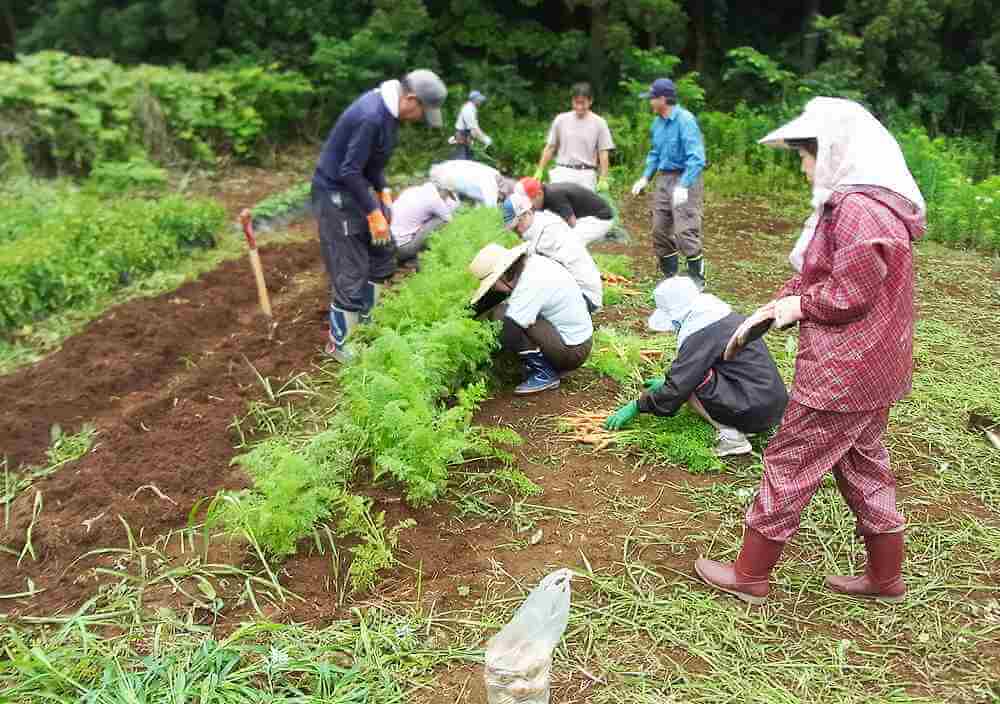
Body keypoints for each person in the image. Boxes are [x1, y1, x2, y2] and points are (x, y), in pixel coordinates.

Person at [694, 97, 926, 605]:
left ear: (835, 151)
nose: (802, 167)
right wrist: (779, 303)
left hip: (844, 370)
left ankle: (750, 574)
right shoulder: (876, 205)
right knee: (864, 463)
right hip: (877, 365)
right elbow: (824, 276)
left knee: (790, 460)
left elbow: (847, 294)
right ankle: (886, 577)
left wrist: (797, 306)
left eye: (806, 155)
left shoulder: (860, 210)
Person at [312, 69, 447, 361]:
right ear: (411, 99)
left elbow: (371, 164)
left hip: (357, 188)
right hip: (336, 192)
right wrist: (373, 213)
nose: (421, 119)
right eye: (423, 111)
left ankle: (365, 323)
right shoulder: (370, 116)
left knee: (382, 254)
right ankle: (339, 343)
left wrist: (384, 192)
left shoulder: (390, 117)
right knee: (352, 266)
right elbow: (348, 170)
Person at [602, 277, 788, 457]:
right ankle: (747, 424)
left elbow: (679, 386)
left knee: (692, 381)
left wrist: (637, 406)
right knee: (691, 376)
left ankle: (733, 439)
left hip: (753, 408)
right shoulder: (724, 317)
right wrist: (665, 383)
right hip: (771, 403)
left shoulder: (702, 332)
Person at [469, 243, 593, 394]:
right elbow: (493, 299)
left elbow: (509, 332)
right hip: (573, 338)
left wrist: (481, 360)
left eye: (492, 284)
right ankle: (537, 364)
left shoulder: (531, 282)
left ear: (502, 275)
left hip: (573, 351)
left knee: (502, 316)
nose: (492, 289)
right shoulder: (531, 265)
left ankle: (544, 373)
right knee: (506, 312)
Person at [629, 78, 707, 289]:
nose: (650, 102)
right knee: (659, 230)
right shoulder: (658, 123)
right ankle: (670, 277)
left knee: (685, 230)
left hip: (686, 177)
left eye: (652, 98)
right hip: (664, 179)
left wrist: (684, 184)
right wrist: (645, 177)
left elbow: (697, 158)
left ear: (663, 99)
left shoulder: (685, 120)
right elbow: (655, 153)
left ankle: (697, 279)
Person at [501, 192, 602, 312]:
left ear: (527, 213)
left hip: (585, 297)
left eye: (517, 227)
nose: (516, 232)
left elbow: (538, 276)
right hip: (580, 292)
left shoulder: (547, 233)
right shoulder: (541, 223)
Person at [534, 83, 614, 192]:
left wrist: (603, 178)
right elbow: (550, 147)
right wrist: (540, 169)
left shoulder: (599, 123)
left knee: (584, 208)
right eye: (576, 103)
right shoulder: (561, 120)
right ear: (572, 101)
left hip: (586, 174)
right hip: (562, 171)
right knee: (557, 207)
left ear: (590, 101)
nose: (579, 107)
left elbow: (603, 152)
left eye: (583, 103)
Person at [517, 177, 614, 246]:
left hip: (599, 219)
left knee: (570, 242)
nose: (529, 206)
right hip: (584, 217)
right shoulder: (543, 194)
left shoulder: (553, 196)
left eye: (529, 201)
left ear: (539, 194)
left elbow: (572, 223)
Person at [390, 181, 460, 267]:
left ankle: (410, 259)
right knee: (441, 220)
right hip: (402, 250)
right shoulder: (434, 200)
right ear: (443, 191)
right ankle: (429, 255)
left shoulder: (413, 190)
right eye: (447, 195)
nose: (446, 199)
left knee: (428, 218)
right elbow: (451, 220)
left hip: (389, 247)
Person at [451, 90, 492, 161]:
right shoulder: (468, 110)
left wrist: (479, 138)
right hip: (462, 138)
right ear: (475, 100)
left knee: (469, 160)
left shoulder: (472, 108)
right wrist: (485, 139)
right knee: (463, 162)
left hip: (466, 137)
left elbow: (473, 130)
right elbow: (474, 129)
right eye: (480, 100)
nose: (481, 102)